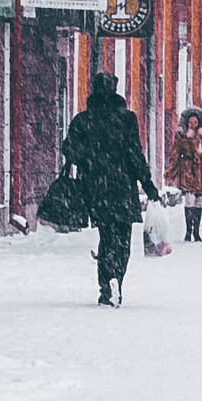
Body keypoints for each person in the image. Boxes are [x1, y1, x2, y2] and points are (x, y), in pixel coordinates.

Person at [62, 73, 160, 306]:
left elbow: (69, 150)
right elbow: (134, 154)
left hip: (96, 188)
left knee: (106, 237)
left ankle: (105, 284)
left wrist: (89, 162)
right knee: (122, 238)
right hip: (122, 186)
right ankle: (118, 277)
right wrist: (147, 184)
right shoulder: (126, 119)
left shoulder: (83, 120)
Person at [167, 108, 202, 243]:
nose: (193, 124)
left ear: (199, 122)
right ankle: (188, 231)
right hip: (188, 170)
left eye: (195, 122)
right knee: (189, 200)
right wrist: (172, 171)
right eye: (190, 122)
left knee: (198, 202)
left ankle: (196, 231)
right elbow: (175, 154)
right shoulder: (182, 136)